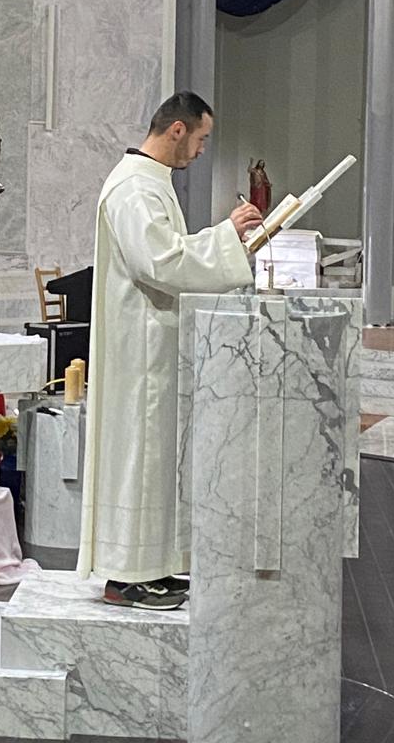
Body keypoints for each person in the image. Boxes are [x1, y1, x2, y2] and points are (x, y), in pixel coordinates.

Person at [77, 91, 262, 610]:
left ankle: (151, 567)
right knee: (139, 459)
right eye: (201, 138)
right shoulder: (134, 186)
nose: (202, 150)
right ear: (177, 130)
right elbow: (157, 262)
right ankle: (126, 577)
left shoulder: (151, 181)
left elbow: (170, 252)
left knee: (155, 462)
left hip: (154, 342)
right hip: (139, 350)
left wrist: (227, 241)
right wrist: (226, 237)